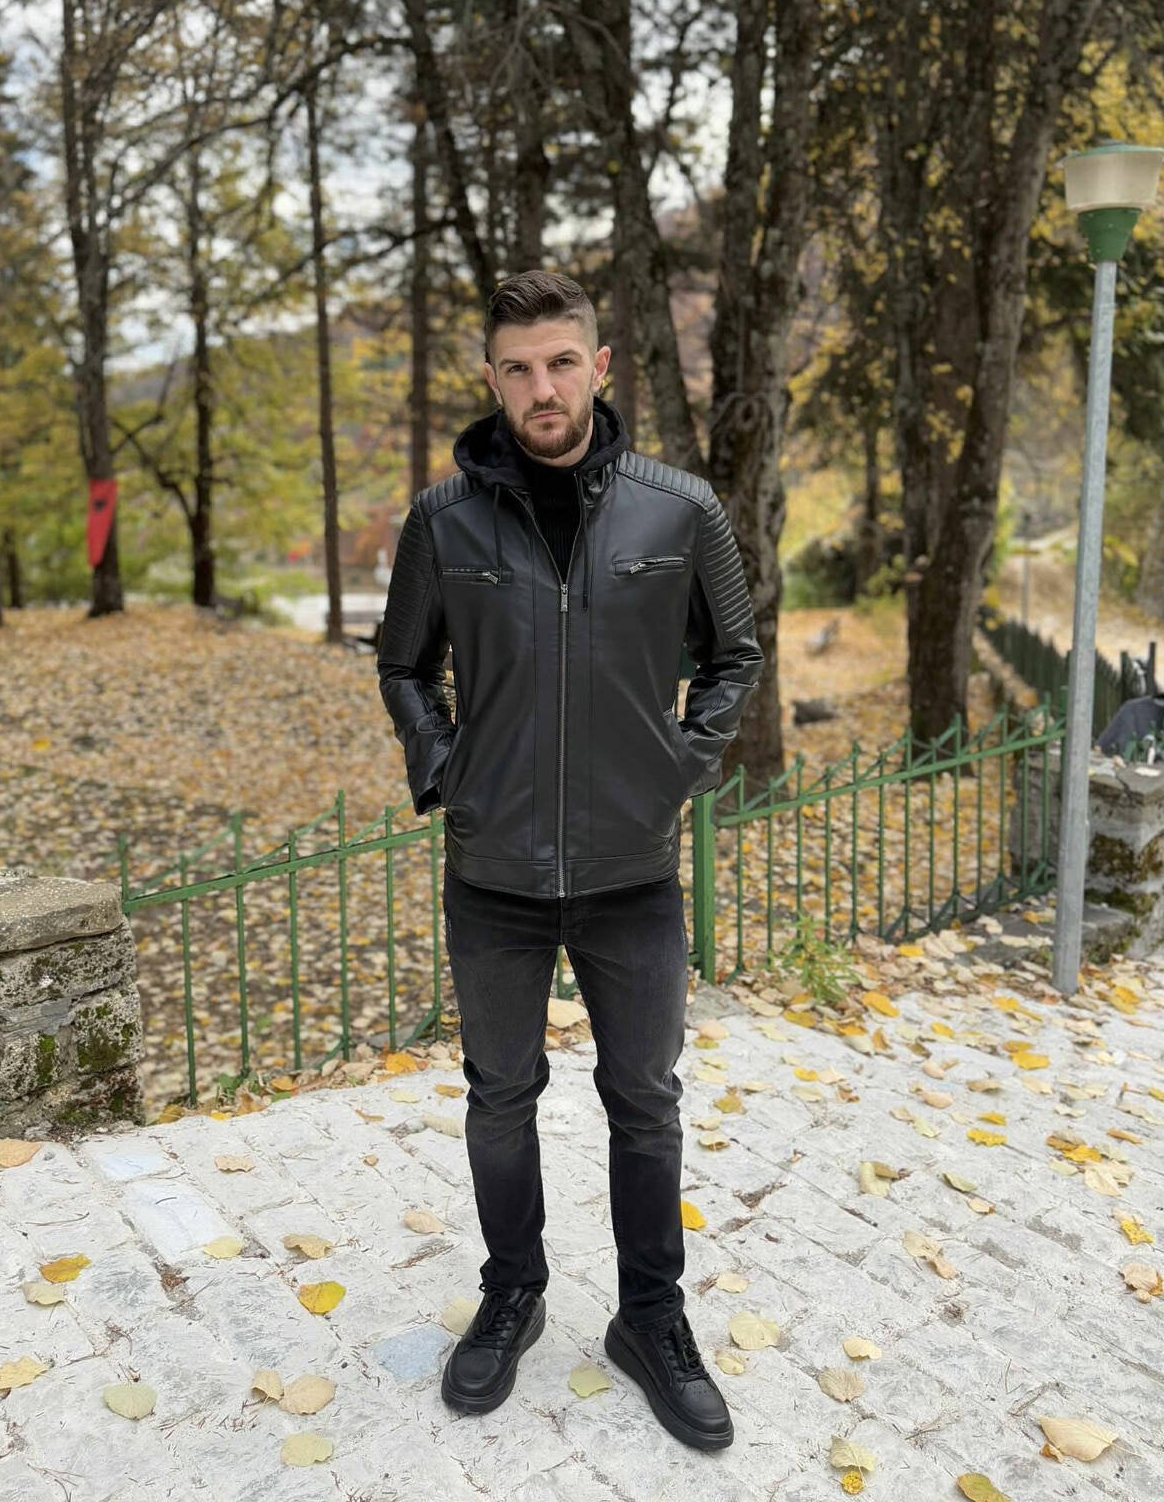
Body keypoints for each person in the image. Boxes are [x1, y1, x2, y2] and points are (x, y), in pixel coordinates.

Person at [377, 270, 763, 1453]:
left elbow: (737, 653)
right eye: (517, 368)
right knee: (500, 1096)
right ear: (492, 379)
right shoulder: (445, 520)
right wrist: (447, 770)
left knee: (644, 1100)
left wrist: (675, 768)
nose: (541, 388)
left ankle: (651, 1318)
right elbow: (402, 663)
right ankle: (513, 1293)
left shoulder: (679, 511)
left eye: (560, 363)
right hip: (492, 874)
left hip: (631, 872)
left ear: (599, 367)